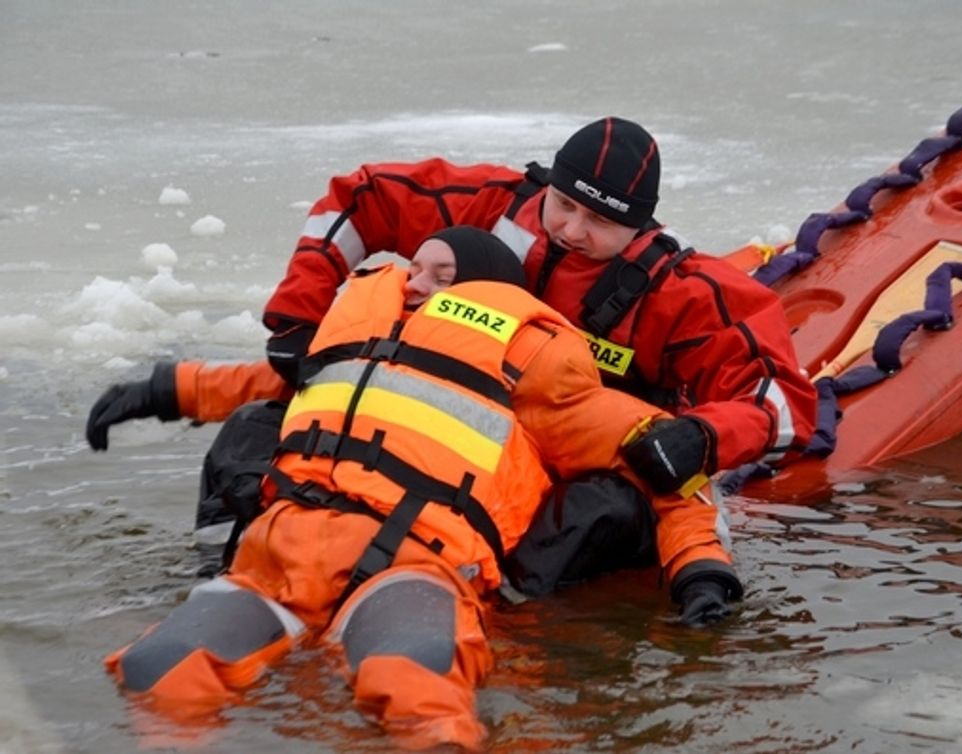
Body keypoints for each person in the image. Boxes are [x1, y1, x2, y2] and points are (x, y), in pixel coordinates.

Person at [88, 116, 816, 584]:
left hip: (552, 458)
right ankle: (235, 563)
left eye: (598, 222)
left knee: (617, 508)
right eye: (563, 205)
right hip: (425, 435)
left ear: (640, 228)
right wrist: (298, 318)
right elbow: (359, 198)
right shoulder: (493, 207)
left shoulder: (686, 295)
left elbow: (781, 401)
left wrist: (698, 437)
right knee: (253, 431)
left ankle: (496, 603)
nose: (569, 229)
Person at [103, 227, 742, 752]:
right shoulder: (356, 340)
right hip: (275, 561)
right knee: (158, 668)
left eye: (441, 276)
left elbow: (668, 463)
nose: (414, 284)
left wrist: (701, 571)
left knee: (416, 690)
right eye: (414, 267)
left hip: (413, 567)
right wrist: (163, 388)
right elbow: (261, 383)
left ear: (484, 298)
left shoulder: (532, 369)